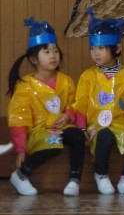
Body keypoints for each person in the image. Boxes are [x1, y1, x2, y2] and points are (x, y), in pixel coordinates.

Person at [6, 17, 86, 196]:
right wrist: (20, 147)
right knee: (52, 144)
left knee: (77, 136)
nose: (52, 55)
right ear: (34, 59)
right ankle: (21, 174)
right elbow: (19, 116)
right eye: (46, 51)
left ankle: (74, 180)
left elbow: (74, 104)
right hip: (39, 131)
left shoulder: (66, 81)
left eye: (55, 51)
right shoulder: (26, 85)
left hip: (61, 126)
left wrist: (67, 116)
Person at [74, 9, 124, 195]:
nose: (96, 53)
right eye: (93, 48)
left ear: (117, 49)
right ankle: (101, 174)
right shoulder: (87, 76)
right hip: (96, 126)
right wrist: (81, 128)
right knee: (105, 135)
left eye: (102, 48)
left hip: (121, 125)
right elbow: (80, 104)